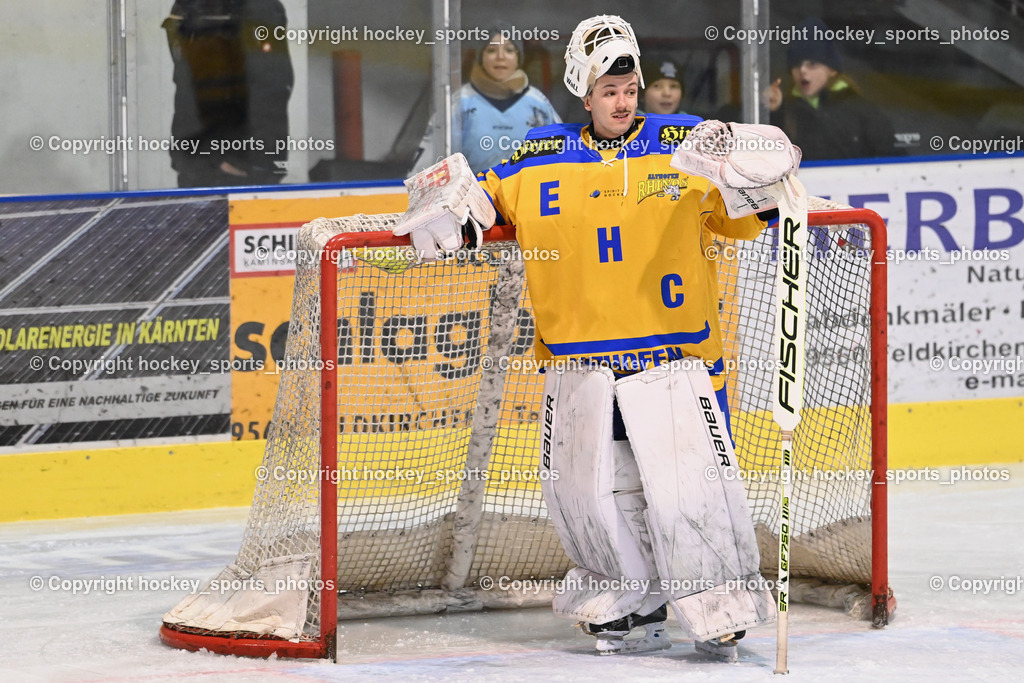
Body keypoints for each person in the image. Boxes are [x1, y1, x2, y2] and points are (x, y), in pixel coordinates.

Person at [408, 15, 779, 656]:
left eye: (629, 87)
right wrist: (449, 201)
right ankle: (626, 596)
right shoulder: (539, 154)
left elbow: (753, 211)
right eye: (609, 90)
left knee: (689, 486)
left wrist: (763, 181)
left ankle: (721, 601)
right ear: (583, 91)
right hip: (581, 365)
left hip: (675, 358)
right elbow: (486, 208)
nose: (624, 100)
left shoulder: (689, 144)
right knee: (595, 492)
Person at [163, 0, 293, 187]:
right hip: (203, 161)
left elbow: (271, 87)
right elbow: (187, 86)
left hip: (232, 165)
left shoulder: (255, 8)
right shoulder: (189, 6)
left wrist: (244, 160)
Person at [410, 27, 561, 174]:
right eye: (491, 50)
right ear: (481, 57)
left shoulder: (537, 103)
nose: (500, 56)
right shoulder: (460, 103)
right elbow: (424, 169)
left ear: (518, 58)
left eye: (509, 50)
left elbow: (562, 157)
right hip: (473, 197)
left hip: (526, 197)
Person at [765, 18, 898, 160]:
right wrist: (775, 112)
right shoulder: (784, 110)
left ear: (832, 70)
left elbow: (892, 161)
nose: (803, 70)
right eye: (796, 64)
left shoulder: (861, 111)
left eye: (812, 64)